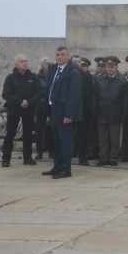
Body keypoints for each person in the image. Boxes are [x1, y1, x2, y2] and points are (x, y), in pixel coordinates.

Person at [42, 46, 82, 179]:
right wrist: (47, 111)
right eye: (58, 54)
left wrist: (69, 115)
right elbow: (49, 89)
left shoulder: (73, 71)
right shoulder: (54, 69)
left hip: (65, 111)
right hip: (54, 110)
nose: (60, 57)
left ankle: (66, 169)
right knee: (56, 141)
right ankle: (57, 166)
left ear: (68, 56)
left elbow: (74, 95)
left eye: (62, 54)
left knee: (65, 141)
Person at [1, 54, 43, 167]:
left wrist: (29, 102)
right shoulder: (10, 78)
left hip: (28, 109)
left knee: (28, 135)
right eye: (22, 61)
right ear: (16, 64)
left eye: (26, 61)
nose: (24, 63)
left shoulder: (33, 77)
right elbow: (6, 94)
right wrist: (20, 101)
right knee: (10, 134)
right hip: (14, 109)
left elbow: (39, 93)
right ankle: (6, 159)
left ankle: (28, 158)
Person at [93, 56, 128, 167]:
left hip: (115, 114)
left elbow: (125, 99)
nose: (109, 68)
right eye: (108, 66)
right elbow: (95, 98)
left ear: (117, 67)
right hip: (102, 113)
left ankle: (113, 158)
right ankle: (103, 157)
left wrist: (123, 114)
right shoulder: (99, 79)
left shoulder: (122, 81)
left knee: (114, 139)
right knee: (103, 139)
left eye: (112, 67)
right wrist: (95, 111)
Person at [72, 55, 93, 166]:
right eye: (75, 61)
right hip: (68, 110)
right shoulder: (65, 75)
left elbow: (89, 94)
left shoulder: (86, 76)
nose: (77, 63)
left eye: (79, 61)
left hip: (82, 109)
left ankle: (82, 157)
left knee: (82, 135)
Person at [35, 56, 53, 160]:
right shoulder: (37, 77)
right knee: (39, 130)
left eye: (51, 63)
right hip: (41, 106)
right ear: (42, 66)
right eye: (48, 64)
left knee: (52, 129)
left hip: (52, 106)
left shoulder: (55, 75)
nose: (50, 66)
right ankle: (39, 151)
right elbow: (37, 91)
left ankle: (52, 151)